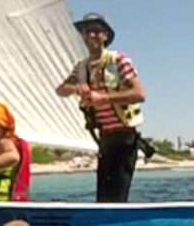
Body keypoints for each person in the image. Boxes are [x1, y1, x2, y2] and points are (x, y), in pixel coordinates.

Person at [55, 13, 147, 203]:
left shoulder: (119, 61)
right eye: (87, 31)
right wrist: (76, 88)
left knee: (117, 196)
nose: (92, 35)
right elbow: (61, 90)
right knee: (104, 196)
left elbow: (139, 94)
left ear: (105, 35)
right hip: (104, 139)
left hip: (124, 138)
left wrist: (103, 98)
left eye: (97, 31)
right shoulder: (81, 68)